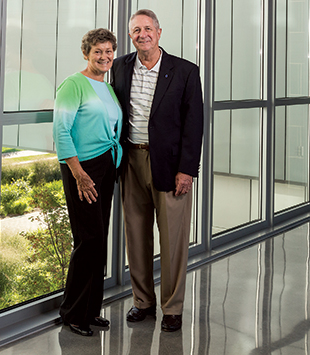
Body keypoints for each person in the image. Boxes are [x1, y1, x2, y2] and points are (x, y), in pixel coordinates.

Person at [110, 9, 204, 332]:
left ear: (159, 32)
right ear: (131, 35)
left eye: (148, 28)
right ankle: (143, 302)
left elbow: (194, 126)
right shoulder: (120, 67)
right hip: (131, 163)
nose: (142, 35)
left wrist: (187, 170)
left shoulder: (185, 72)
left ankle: (173, 307)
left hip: (170, 166)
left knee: (173, 239)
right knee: (136, 235)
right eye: (136, 30)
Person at [53, 28, 122, 337]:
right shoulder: (73, 85)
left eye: (109, 51)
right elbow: (61, 132)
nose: (104, 56)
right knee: (87, 239)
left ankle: (91, 310)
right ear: (86, 53)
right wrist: (80, 175)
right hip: (82, 168)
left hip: (107, 165)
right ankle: (73, 314)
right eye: (98, 51)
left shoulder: (107, 88)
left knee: (100, 238)